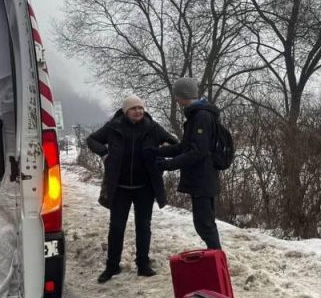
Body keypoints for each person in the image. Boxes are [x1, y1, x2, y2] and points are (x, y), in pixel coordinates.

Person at [87, 95, 175, 283]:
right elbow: (92, 140)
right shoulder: (114, 127)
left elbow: (173, 142)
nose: (138, 112)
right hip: (120, 187)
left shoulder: (152, 128)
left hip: (145, 187)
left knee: (144, 226)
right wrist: (104, 154)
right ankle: (112, 266)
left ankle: (143, 265)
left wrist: (162, 152)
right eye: (134, 109)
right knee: (117, 227)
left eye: (141, 109)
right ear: (126, 111)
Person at [156, 77, 223, 251]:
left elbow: (198, 151)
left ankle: (216, 261)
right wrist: (158, 152)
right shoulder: (196, 115)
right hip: (201, 179)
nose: (176, 100)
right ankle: (215, 257)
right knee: (204, 223)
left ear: (182, 95)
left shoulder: (201, 116)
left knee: (204, 225)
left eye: (177, 96)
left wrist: (169, 165)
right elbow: (185, 146)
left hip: (203, 179)